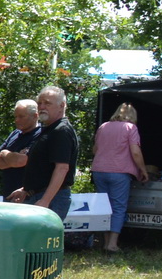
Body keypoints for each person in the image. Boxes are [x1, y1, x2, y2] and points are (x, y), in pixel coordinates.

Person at [8, 85, 77, 219]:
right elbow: (44, 168)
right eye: (40, 103)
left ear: (61, 106)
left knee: (39, 240)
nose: (42, 107)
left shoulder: (61, 131)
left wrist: (45, 200)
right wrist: (25, 190)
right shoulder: (49, 130)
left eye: (47, 103)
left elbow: (62, 168)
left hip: (51, 200)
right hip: (38, 196)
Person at [90, 102, 148, 255]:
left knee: (104, 207)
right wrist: (143, 170)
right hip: (119, 172)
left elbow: (95, 149)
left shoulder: (103, 127)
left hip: (99, 171)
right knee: (118, 207)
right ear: (133, 116)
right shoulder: (130, 128)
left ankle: (105, 241)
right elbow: (135, 152)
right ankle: (112, 245)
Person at [0, 99, 40, 200]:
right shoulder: (14, 134)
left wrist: (4, 153)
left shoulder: (40, 135)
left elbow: (20, 161)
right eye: (15, 117)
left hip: (28, 196)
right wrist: (12, 157)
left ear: (35, 116)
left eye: (21, 116)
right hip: (9, 195)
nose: (17, 120)